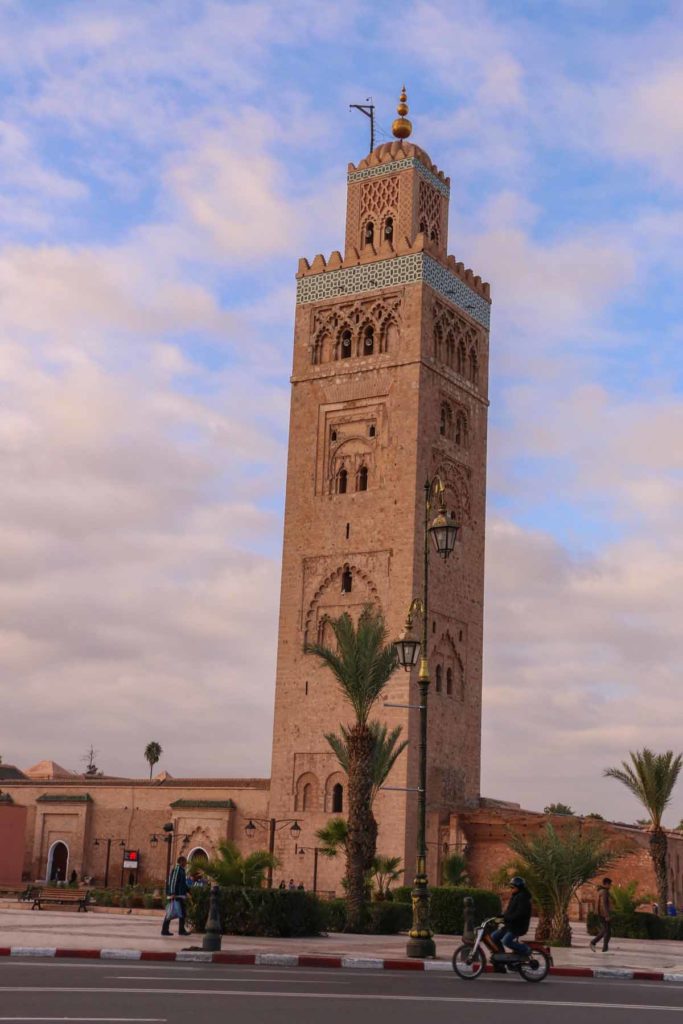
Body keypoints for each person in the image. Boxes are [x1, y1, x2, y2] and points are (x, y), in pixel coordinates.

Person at [491, 876, 532, 970]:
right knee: (493, 937)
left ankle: (525, 949)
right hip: (510, 925)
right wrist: (497, 918)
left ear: (518, 887)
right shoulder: (515, 896)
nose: (511, 889)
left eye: (512, 887)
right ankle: (502, 959)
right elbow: (509, 912)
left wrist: (506, 919)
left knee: (506, 941)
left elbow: (519, 914)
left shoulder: (523, 898)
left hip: (518, 926)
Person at [161, 855, 189, 937]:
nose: (186, 863)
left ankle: (177, 930)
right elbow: (173, 881)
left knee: (180, 913)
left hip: (180, 895)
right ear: (181, 862)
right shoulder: (177, 869)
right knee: (172, 912)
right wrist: (172, 892)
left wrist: (187, 891)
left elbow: (182, 883)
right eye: (185, 862)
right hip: (176, 895)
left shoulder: (181, 870)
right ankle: (168, 930)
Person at [590, 877, 613, 952]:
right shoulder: (604, 892)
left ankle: (605, 948)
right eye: (610, 884)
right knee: (606, 930)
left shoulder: (600, 891)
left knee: (608, 931)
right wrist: (607, 915)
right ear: (606, 884)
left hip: (600, 913)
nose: (610, 886)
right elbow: (604, 904)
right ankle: (593, 942)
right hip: (603, 914)